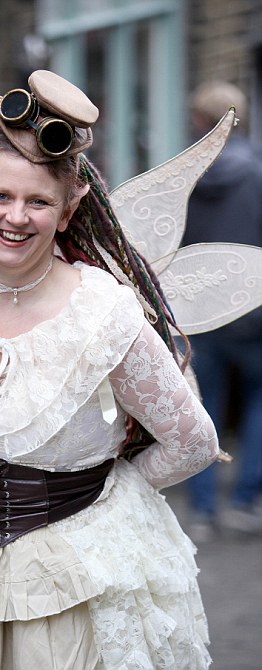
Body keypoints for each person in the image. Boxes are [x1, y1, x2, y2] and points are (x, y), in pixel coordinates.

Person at [0, 71, 220, 669]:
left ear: (68, 211)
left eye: (38, 201)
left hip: (83, 575)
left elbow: (193, 442)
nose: (15, 217)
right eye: (1, 197)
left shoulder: (102, 312)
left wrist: (116, 496)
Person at [181, 81, 262, 540]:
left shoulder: (187, 174)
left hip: (200, 308)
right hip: (252, 309)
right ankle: (246, 499)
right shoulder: (256, 172)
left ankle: (204, 510)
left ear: (198, 120)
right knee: (257, 399)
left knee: (201, 404)